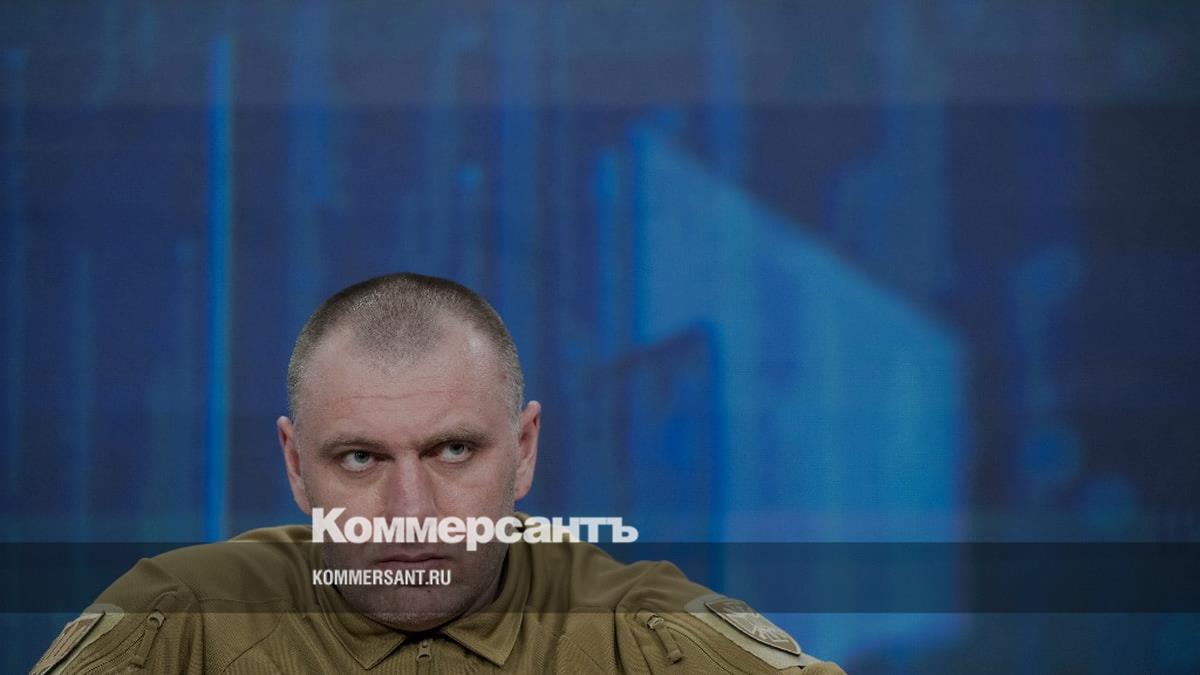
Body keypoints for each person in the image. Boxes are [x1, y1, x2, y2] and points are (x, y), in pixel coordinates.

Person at [33, 273, 846, 674]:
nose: (411, 511)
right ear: (296, 465)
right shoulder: (176, 627)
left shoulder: (651, 642)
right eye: (360, 458)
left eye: (453, 450)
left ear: (524, 449)